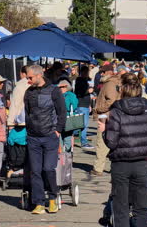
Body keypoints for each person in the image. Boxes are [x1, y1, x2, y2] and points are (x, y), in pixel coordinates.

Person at [102, 73, 147, 227]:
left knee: (121, 206)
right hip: (143, 163)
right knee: (141, 207)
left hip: (121, 163)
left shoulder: (116, 111)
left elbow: (111, 142)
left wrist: (105, 130)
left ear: (122, 90)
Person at [24, 65, 67, 214]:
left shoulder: (54, 91)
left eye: (30, 77)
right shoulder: (29, 92)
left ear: (38, 75)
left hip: (50, 136)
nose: (27, 80)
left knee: (48, 169)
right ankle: (39, 203)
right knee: (35, 171)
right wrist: (29, 131)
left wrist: (58, 131)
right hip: (33, 137)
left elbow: (62, 112)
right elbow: (27, 112)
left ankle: (53, 197)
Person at [91, 64, 121, 176]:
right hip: (111, 115)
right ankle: (113, 167)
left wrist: (99, 108)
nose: (101, 74)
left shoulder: (110, 84)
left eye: (103, 72)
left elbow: (111, 101)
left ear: (108, 72)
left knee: (102, 142)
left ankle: (98, 168)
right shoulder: (114, 82)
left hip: (105, 115)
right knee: (112, 142)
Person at [74, 66, 95, 150]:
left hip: (85, 105)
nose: (87, 74)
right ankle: (84, 142)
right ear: (82, 72)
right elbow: (79, 93)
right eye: (85, 72)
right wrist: (88, 91)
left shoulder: (84, 80)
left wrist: (89, 105)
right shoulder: (79, 81)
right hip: (81, 105)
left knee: (80, 125)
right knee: (83, 125)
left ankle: (70, 135)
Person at [58, 79, 78, 151]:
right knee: (59, 139)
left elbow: (74, 106)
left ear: (67, 87)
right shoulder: (57, 95)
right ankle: (61, 156)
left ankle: (67, 155)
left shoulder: (71, 95)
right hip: (59, 119)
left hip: (68, 118)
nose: (61, 88)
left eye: (63, 87)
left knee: (67, 138)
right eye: (59, 87)